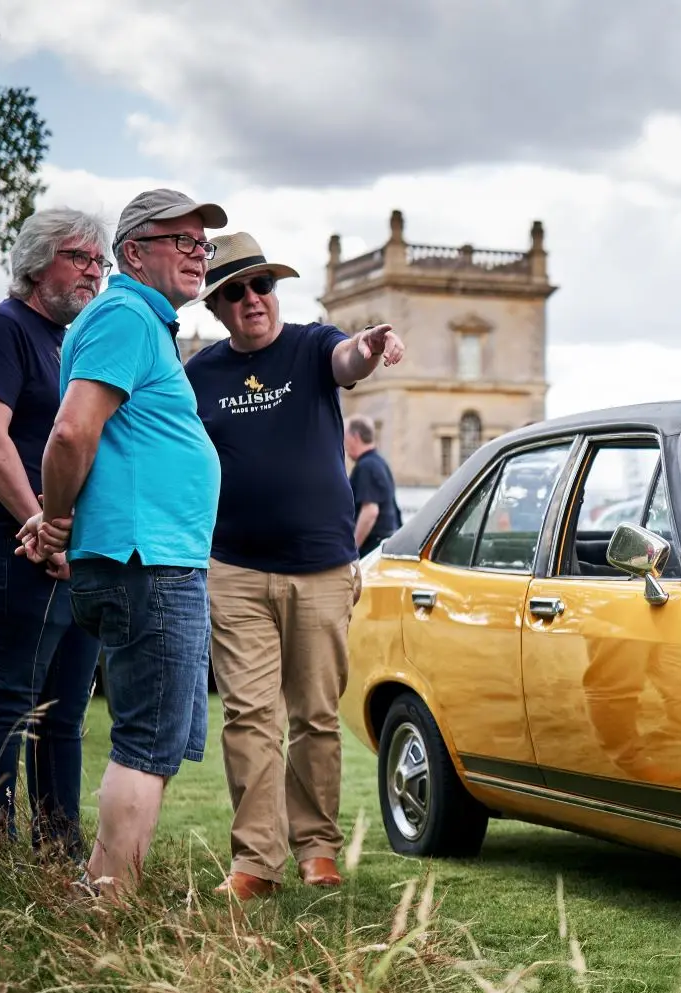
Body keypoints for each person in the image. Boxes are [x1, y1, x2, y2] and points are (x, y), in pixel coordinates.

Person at [184, 233, 404, 900]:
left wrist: (366, 348)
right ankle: (256, 861)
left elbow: (346, 360)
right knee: (249, 716)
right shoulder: (200, 376)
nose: (252, 299)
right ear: (218, 306)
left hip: (321, 568)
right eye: (235, 292)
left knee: (313, 714)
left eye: (262, 285)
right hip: (237, 571)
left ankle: (317, 849)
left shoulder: (311, 345)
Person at [26, 188, 228, 896]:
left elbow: (104, 447)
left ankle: (108, 890)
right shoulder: (126, 316)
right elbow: (72, 433)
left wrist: (59, 518)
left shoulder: (129, 321)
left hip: (151, 558)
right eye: (183, 240)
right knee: (145, 743)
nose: (199, 254)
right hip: (149, 564)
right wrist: (54, 517)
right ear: (134, 252)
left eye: (204, 244)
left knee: (158, 741)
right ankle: (108, 905)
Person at [0, 208, 110, 860]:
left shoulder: (68, 343)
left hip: (72, 557)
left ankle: (58, 855)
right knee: (5, 704)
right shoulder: (3, 328)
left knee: (65, 715)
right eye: (81, 258)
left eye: (100, 263)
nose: (94, 273)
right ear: (37, 259)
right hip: (15, 546)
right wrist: (39, 523)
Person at [345, 417, 401, 556]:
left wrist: (352, 549)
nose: (344, 445)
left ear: (355, 437)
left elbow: (370, 511)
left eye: (345, 438)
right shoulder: (379, 462)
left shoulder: (367, 466)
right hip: (385, 544)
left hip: (371, 547)